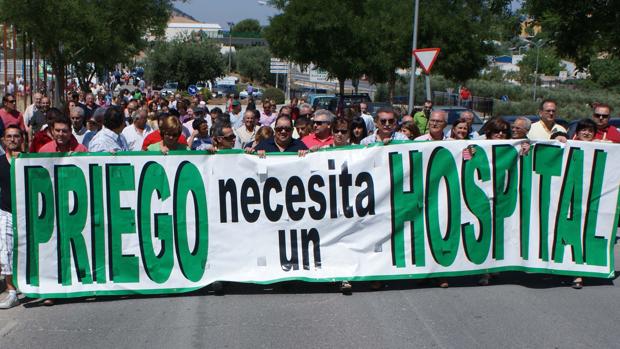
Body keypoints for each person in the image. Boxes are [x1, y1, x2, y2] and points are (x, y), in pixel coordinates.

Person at [0, 126, 23, 309]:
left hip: (27, 213)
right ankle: (12, 291)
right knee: (6, 252)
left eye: (16, 136)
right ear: (4, 140)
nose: (13, 139)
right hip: (6, 212)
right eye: (9, 136)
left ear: (22, 139)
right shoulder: (0, 162)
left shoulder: (30, 161)